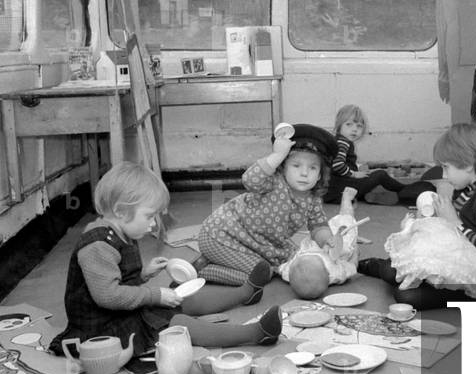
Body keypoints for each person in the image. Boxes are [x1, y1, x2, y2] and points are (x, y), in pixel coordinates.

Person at [48, 162, 282, 357]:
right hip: (102, 328)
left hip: (118, 313)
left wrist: (143, 275)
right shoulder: (98, 245)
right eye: (149, 216)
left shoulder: (121, 230)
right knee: (178, 323)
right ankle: (256, 334)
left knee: (180, 297)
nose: (153, 224)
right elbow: (108, 295)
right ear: (120, 211)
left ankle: (245, 292)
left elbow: (112, 279)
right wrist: (154, 295)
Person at [358, 123, 476, 309]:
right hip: (464, 264)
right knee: (391, 270)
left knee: (407, 296)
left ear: (468, 164)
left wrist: (453, 221)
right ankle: (379, 266)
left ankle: (382, 268)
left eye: (446, 167)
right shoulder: (467, 188)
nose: (444, 174)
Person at [194, 124, 337, 287]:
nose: (304, 173)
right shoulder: (273, 182)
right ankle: (199, 271)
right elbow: (249, 179)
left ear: (319, 175)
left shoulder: (313, 199)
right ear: (283, 167)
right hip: (220, 236)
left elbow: (318, 225)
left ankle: (212, 261)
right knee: (261, 275)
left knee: (292, 259)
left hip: (255, 245)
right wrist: (277, 155)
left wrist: (326, 240)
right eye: (296, 166)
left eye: (312, 168)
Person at [324, 104, 432, 206]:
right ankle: (404, 190)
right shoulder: (342, 143)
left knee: (368, 176)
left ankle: (370, 196)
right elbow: (337, 164)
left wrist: (357, 173)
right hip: (340, 190)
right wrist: (353, 174)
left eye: (359, 126)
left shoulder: (340, 141)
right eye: (349, 124)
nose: (354, 129)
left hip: (335, 192)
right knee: (380, 175)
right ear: (339, 126)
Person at [277, 188, 361, 299]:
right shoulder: (288, 272)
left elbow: (353, 266)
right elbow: (352, 266)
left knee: (345, 222)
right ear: (328, 277)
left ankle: (346, 202)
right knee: (345, 221)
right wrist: (355, 252)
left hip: (322, 239)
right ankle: (346, 200)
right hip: (330, 243)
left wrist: (355, 252)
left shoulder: (290, 273)